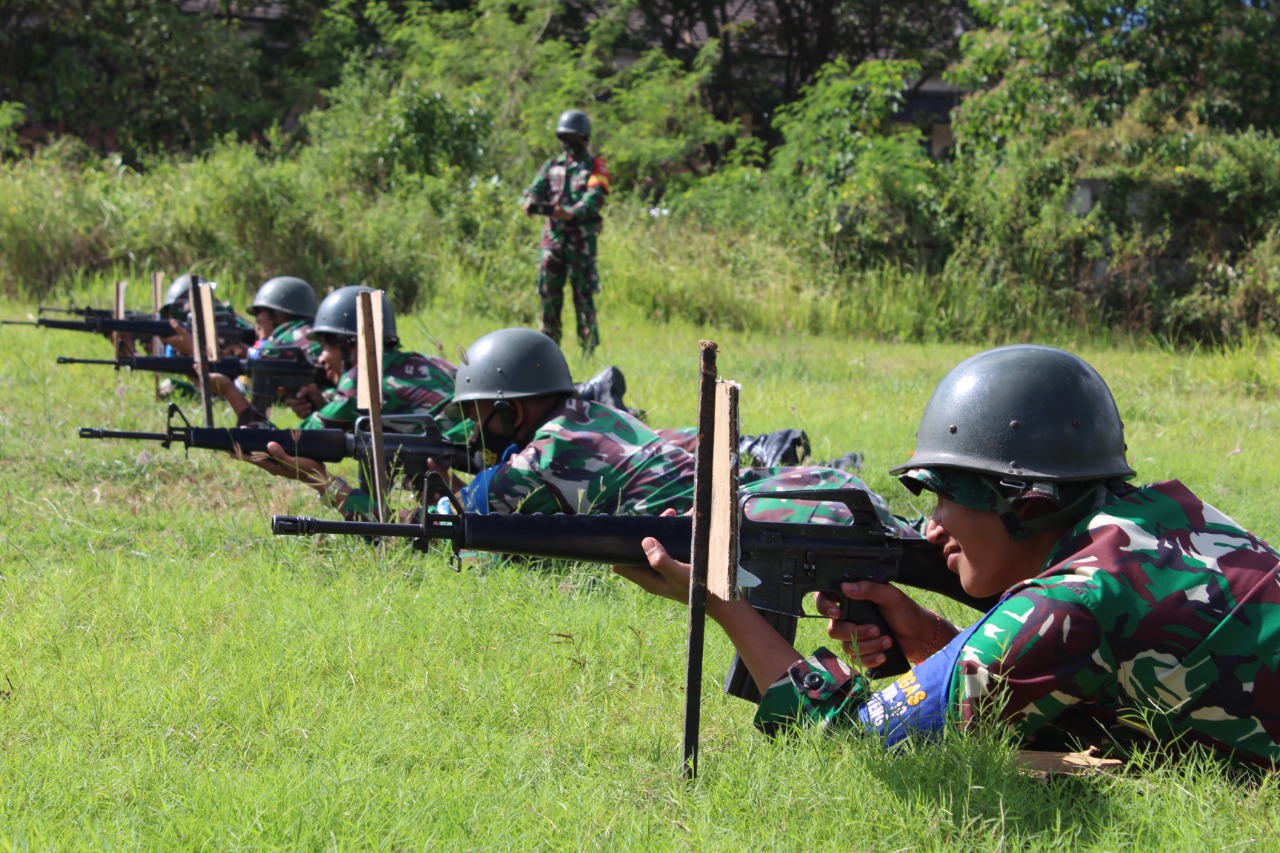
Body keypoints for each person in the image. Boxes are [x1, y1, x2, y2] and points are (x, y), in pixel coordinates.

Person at [614, 345, 1280, 768]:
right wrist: (934, 638)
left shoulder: (1066, 604)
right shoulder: (1164, 515)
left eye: (943, 497)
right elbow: (1096, 686)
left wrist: (724, 602)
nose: (931, 529)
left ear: (1026, 502)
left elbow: (855, 745)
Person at [435, 328, 907, 533]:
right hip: (739, 497)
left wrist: (436, 485)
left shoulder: (542, 456)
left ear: (511, 413)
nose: (473, 430)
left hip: (720, 523)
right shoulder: (594, 414)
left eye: (477, 415)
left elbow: (460, 513)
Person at [239, 285, 459, 517]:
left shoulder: (363, 378)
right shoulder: (425, 362)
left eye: (324, 346)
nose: (321, 357)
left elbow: (298, 440)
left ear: (351, 345)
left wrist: (250, 437)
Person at [522, 109, 610, 357]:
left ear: (583, 137)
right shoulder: (552, 165)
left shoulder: (596, 166)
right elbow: (533, 189)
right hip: (553, 243)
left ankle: (588, 353)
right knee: (548, 298)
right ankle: (549, 353)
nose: (566, 143)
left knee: (583, 299)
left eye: (571, 137)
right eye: (563, 137)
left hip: (581, 244)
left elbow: (596, 197)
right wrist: (530, 202)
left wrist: (572, 213)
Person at [201, 275, 322, 425]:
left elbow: (248, 391)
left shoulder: (283, 340)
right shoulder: (311, 333)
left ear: (278, 315)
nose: (256, 321)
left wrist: (227, 388)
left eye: (259, 312)